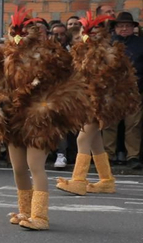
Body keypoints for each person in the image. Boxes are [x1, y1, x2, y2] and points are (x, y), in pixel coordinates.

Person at [0, 10, 86, 232]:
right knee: (18, 168)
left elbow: (65, 80)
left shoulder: (49, 56)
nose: (17, 37)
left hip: (39, 119)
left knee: (35, 166)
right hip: (13, 118)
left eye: (22, 32)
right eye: (13, 32)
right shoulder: (6, 57)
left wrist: (41, 96)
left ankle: (40, 215)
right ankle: (25, 211)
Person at [56, 13, 142, 196]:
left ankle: (78, 181)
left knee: (82, 139)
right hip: (91, 101)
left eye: (90, 33)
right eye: (81, 34)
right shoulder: (86, 52)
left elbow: (113, 79)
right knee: (95, 142)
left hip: (102, 102)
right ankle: (106, 180)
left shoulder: (106, 52)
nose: (85, 37)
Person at [107, 12, 143, 169]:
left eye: (127, 26)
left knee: (133, 124)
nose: (124, 29)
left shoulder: (141, 43)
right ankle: (107, 155)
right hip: (111, 90)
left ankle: (133, 156)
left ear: (133, 28)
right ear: (115, 28)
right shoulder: (108, 44)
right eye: (120, 26)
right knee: (109, 124)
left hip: (134, 90)